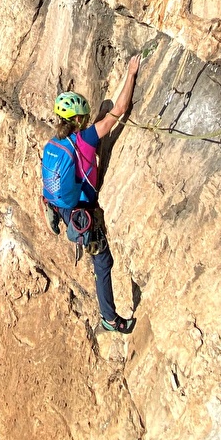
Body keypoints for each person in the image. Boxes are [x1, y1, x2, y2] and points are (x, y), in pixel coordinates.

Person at [41, 55, 141, 333]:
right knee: (103, 261)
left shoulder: (54, 142)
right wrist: (131, 73)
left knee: (100, 258)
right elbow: (119, 109)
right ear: (80, 120)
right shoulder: (85, 140)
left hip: (60, 204)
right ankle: (109, 318)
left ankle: (52, 211)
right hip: (82, 209)